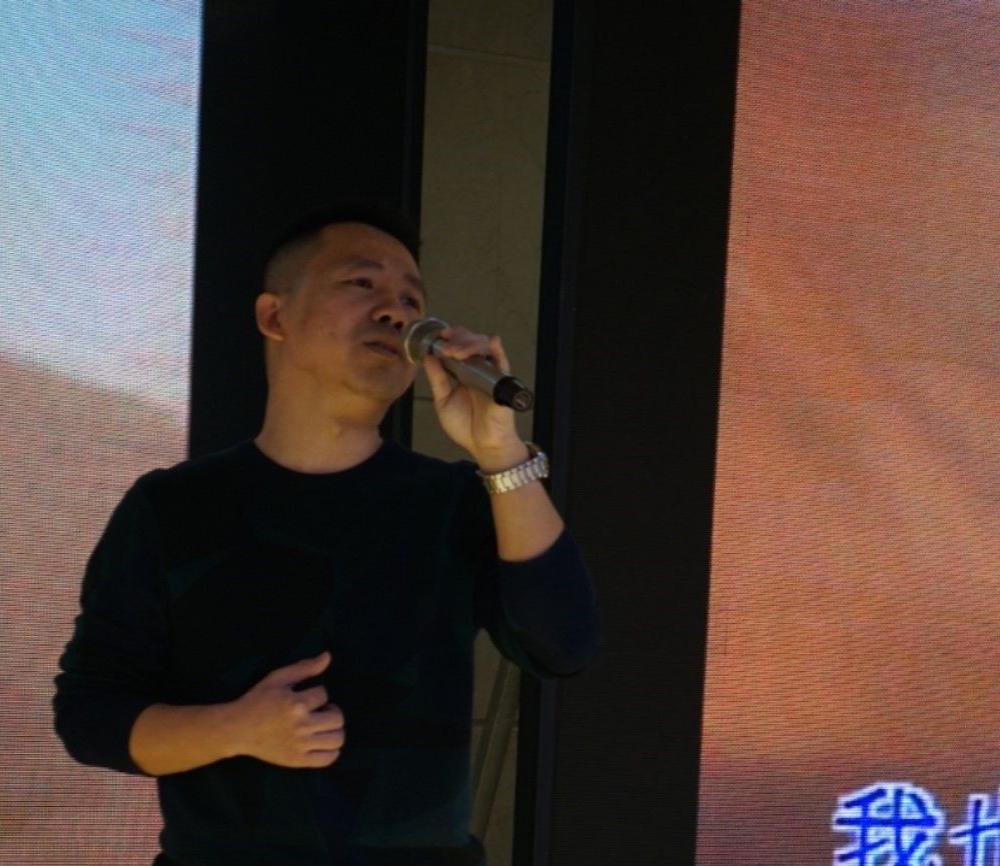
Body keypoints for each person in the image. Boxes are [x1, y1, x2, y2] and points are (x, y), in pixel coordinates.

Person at [53, 205, 600, 866]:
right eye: (362, 284)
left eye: (412, 299)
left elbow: (564, 644)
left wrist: (500, 452)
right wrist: (235, 730)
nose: (396, 312)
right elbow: (90, 715)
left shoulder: (455, 501)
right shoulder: (172, 507)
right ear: (274, 317)